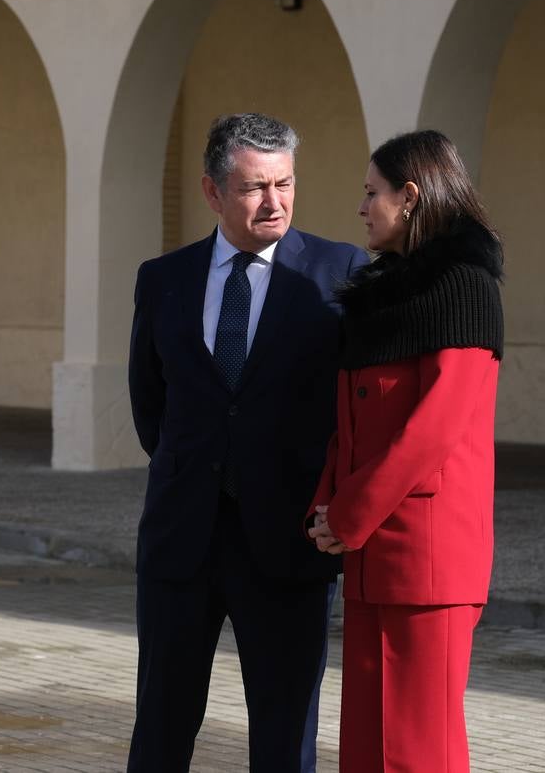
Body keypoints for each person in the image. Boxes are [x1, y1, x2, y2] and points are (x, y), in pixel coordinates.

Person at [126, 112, 368, 772]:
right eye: (254, 187)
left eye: (285, 183)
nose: (274, 202)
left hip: (288, 541)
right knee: (161, 729)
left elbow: (357, 407)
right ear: (212, 191)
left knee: (286, 735)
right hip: (182, 543)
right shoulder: (164, 279)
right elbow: (152, 406)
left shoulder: (339, 271)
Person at [306, 129, 502, 773]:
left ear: (411, 196)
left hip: (428, 556)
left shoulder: (465, 285)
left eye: (372, 193)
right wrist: (327, 505)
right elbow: (351, 424)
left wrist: (349, 515)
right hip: (370, 554)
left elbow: (434, 429)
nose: (361, 207)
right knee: (365, 744)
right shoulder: (381, 294)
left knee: (421, 748)